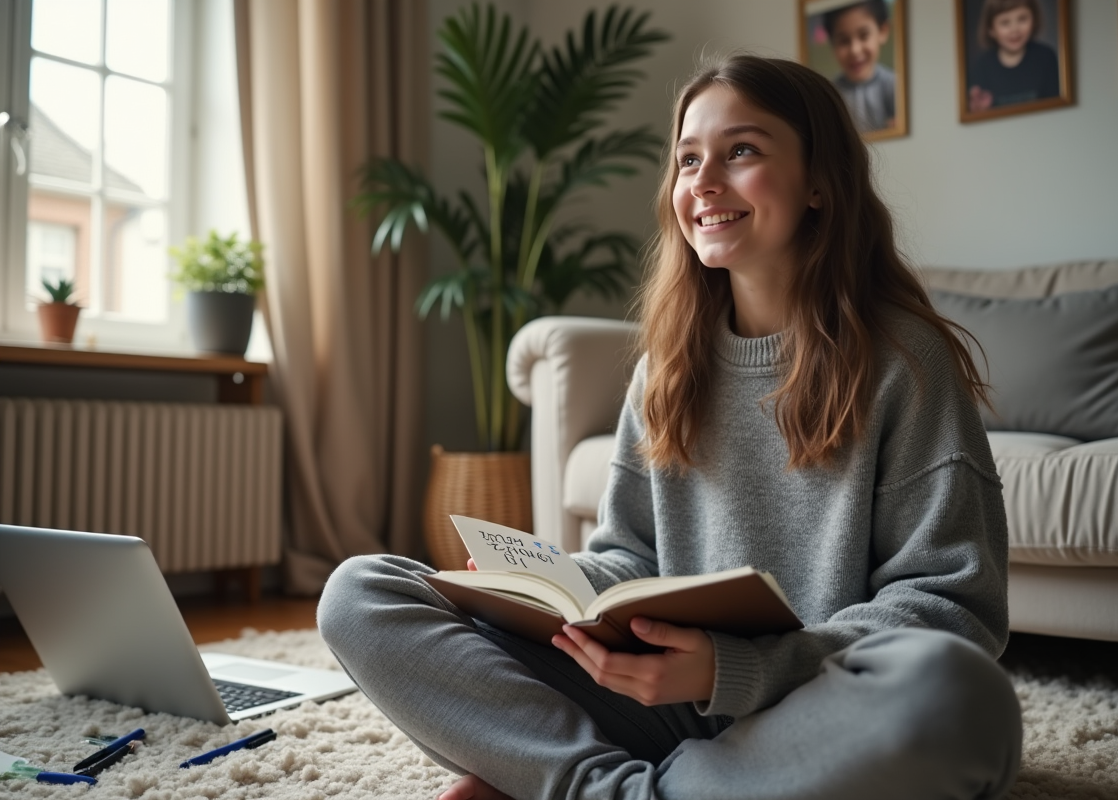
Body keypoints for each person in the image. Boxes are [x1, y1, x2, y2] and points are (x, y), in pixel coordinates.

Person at [318, 54, 1023, 800]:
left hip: (811, 704)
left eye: (741, 151)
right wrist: (537, 589)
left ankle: (570, 779)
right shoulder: (668, 365)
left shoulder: (904, 361)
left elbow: (950, 608)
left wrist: (735, 668)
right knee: (360, 592)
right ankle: (615, 787)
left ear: (821, 182)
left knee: (956, 693)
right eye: (688, 159)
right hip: (657, 701)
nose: (705, 182)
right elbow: (630, 556)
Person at [968, 0, 1060, 112]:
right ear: (991, 29)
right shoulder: (981, 66)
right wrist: (978, 109)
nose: (1014, 29)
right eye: (1005, 22)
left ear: (1034, 19)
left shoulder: (1046, 57)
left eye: (1022, 19)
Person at [824, 1, 895, 133]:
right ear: (832, 45)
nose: (855, 50)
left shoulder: (894, 86)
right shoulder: (829, 96)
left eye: (864, 36)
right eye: (844, 41)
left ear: (883, 31)